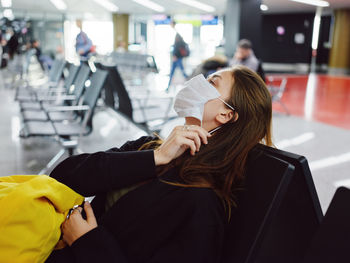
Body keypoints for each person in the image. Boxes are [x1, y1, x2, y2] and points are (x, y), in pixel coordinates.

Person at [46, 65, 272, 262]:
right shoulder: (148, 147)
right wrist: (156, 158)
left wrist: (85, 242)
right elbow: (63, 176)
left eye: (212, 82)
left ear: (226, 114)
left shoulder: (202, 202)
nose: (199, 82)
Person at [167, 21, 189, 91]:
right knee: (178, 72)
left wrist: (175, 55)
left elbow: (177, 46)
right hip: (178, 57)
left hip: (177, 58)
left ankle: (190, 84)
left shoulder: (177, 34)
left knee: (179, 72)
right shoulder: (177, 34)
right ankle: (168, 87)